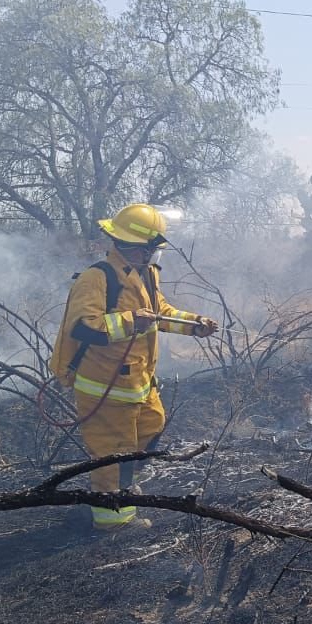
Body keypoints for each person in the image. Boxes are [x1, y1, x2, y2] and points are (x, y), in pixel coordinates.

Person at [49, 204, 218, 530]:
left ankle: (124, 486)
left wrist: (194, 324)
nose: (154, 254)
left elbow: (160, 313)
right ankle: (114, 521)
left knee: (153, 426)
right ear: (135, 246)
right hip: (105, 387)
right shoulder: (96, 278)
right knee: (114, 456)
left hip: (138, 383)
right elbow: (83, 327)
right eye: (151, 248)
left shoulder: (146, 273)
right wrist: (129, 321)